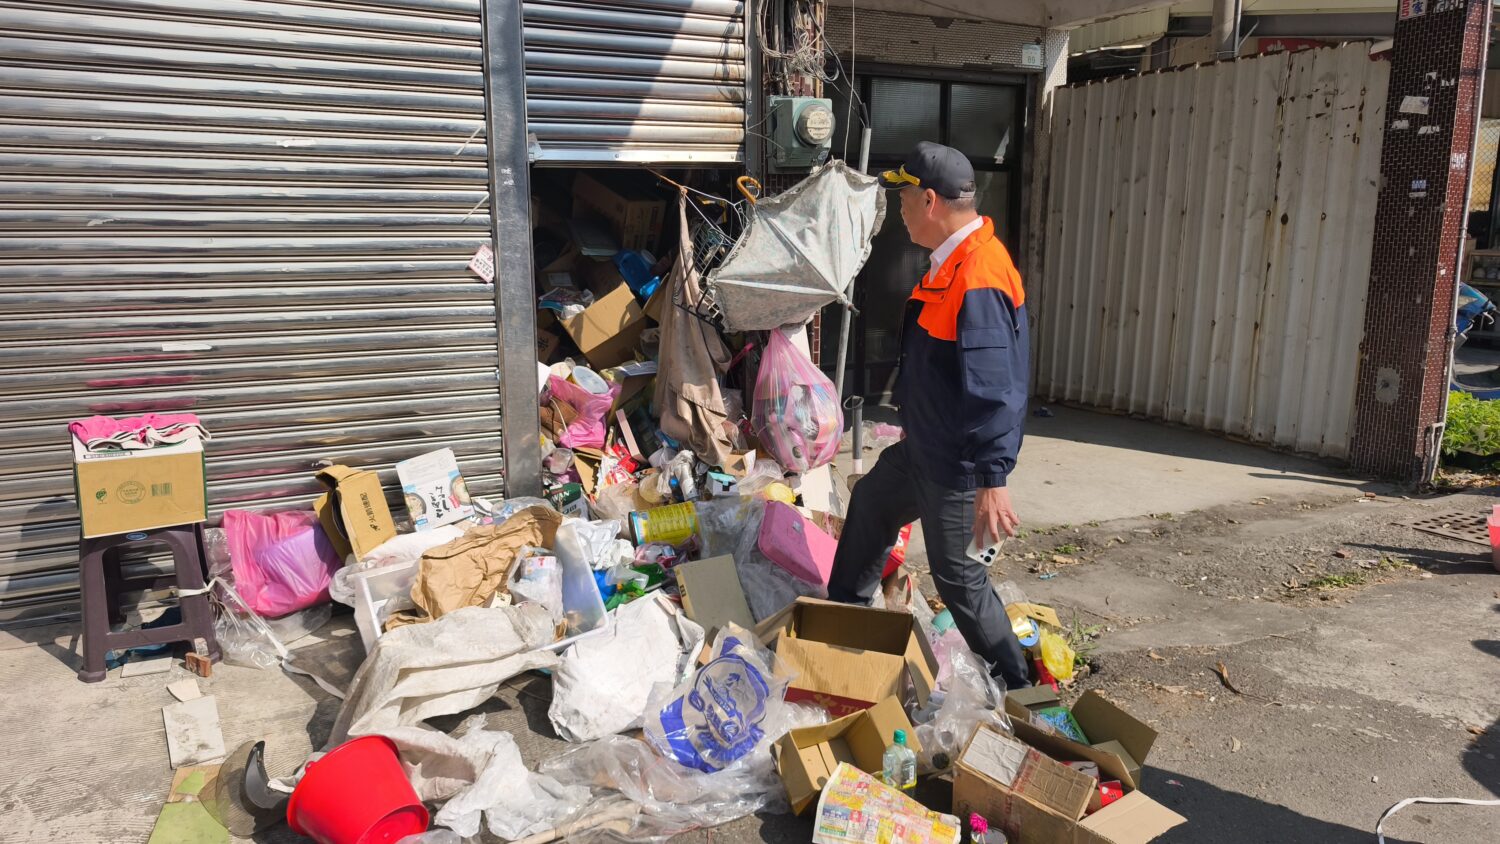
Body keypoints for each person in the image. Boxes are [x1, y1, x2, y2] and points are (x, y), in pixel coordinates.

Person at [827, 141, 1032, 691]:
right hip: (926, 446)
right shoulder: (952, 263)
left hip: (957, 462)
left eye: (904, 198)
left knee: (960, 579)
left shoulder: (979, 274)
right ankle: (838, 622)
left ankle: (1024, 692)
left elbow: (997, 389)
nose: (899, 209)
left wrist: (993, 479)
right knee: (871, 503)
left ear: (931, 201)